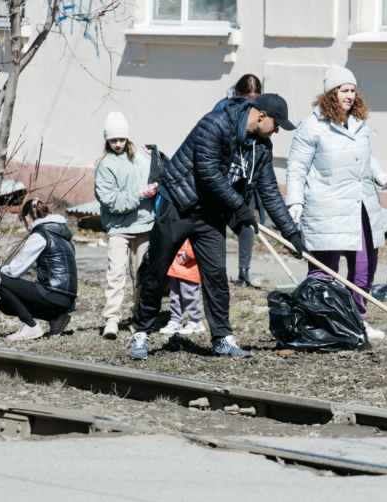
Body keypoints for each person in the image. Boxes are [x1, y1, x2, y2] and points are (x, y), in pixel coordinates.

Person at [129, 93, 304, 360]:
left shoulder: (262, 147)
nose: (278, 130)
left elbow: (269, 192)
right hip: (179, 203)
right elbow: (208, 172)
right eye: (276, 123)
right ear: (261, 116)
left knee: (216, 277)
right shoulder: (214, 124)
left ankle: (222, 338)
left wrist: (291, 233)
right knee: (157, 270)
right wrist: (240, 207)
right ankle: (142, 332)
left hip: (210, 213)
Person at [285, 64, 387, 340]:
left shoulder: (359, 124)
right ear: (331, 93)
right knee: (324, 269)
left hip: (360, 206)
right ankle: (319, 322)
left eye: (353, 90)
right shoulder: (313, 127)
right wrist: (294, 202)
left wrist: (378, 172)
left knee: (364, 266)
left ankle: (358, 320)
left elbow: (367, 154)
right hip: (327, 208)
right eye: (344, 90)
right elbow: (297, 167)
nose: (350, 96)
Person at [94, 112, 158, 340]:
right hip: (119, 228)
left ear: (127, 137)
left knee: (141, 275)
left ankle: (138, 317)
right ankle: (111, 319)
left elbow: (159, 176)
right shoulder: (104, 166)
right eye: (113, 140)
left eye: (121, 139)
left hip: (144, 226)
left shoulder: (142, 159)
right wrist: (141, 193)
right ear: (107, 141)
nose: (118, 144)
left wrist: (157, 160)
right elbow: (111, 200)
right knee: (116, 274)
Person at [0, 198, 77, 340]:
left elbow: (17, 270)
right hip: (67, 301)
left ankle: (30, 326)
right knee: (5, 305)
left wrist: (0, 270)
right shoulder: (63, 236)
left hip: (52, 294)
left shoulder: (40, 235)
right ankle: (56, 318)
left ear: (27, 218)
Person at [213, 74, 264, 287]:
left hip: (246, 178)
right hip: (224, 176)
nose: (251, 104)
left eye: (255, 99)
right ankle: (217, 273)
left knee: (247, 224)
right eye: (247, 99)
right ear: (238, 94)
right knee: (217, 225)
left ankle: (244, 274)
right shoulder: (221, 108)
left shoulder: (260, 111)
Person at [159, 240, 205, 335]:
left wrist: (189, 253)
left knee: (189, 293)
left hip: (188, 264)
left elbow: (197, 236)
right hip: (175, 261)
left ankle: (196, 321)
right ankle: (176, 321)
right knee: (175, 295)